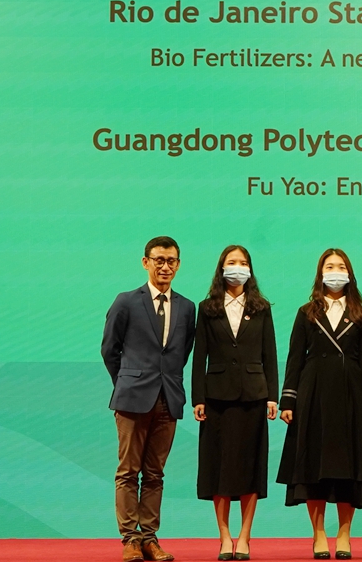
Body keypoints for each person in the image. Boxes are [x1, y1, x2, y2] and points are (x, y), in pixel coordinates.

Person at [277, 248, 362, 560]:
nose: (335, 272)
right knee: (313, 467)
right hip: (313, 395)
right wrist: (288, 400)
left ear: (349, 274)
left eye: (340, 267)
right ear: (320, 273)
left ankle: (344, 534)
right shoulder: (306, 312)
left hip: (351, 395)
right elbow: (294, 359)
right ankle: (319, 533)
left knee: (350, 468)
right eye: (329, 267)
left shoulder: (360, 313)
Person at [101, 236, 196, 562]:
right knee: (128, 472)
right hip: (131, 398)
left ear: (178, 265)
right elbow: (110, 349)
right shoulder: (126, 301)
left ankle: (150, 539)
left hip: (168, 399)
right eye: (159, 260)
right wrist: (127, 382)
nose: (165, 266)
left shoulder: (187, 307)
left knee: (155, 474)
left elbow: (181, 353)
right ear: (146, 263)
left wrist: (165, 383)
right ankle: (130, 539)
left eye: (171, 261)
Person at [192, 245, 279, 561]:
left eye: (243, 262)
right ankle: (225, 536)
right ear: (221, 268)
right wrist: (198, 398)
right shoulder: (207, 308)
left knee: (249, 468)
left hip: (253, 396)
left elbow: (270, 353)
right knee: (219, 468)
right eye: (232, 262)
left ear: (250, 269)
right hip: (216, 397)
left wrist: (273, 396)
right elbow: (199, 355)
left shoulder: (261, 308)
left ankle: (244, 536)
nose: (237, 267)